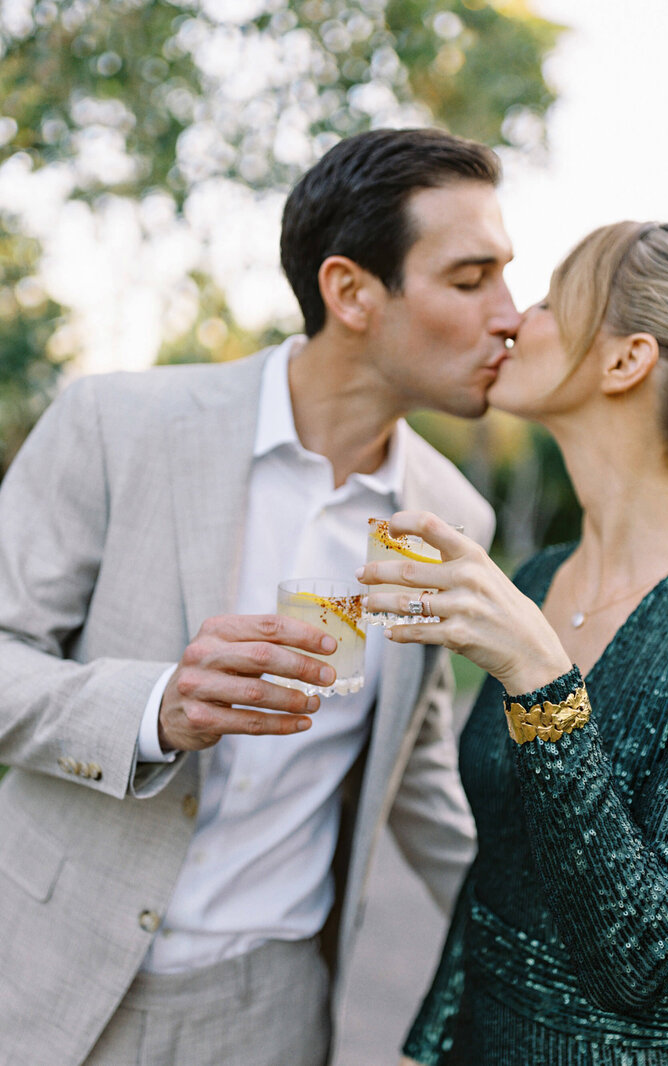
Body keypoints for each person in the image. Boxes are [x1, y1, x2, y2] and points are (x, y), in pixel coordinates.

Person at [0, 128, 521, 1066]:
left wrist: (562, 955)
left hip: (272, 1012)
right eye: (471, 278)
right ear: (351, 292)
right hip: (45, 970)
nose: (511, 316)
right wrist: (155, 707)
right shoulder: (118, 423)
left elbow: (419, 773)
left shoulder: (449, 517)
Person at [358, 221, 668, 1065]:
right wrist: (428, 1047)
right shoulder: (538, 576)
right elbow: (503, 872)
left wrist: (543, 681)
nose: (515, 318)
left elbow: (642, 960)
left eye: (554, 298)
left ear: (626, 361)